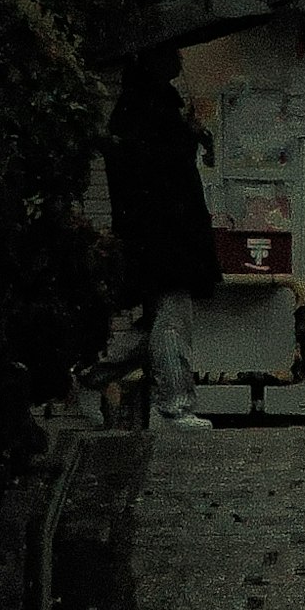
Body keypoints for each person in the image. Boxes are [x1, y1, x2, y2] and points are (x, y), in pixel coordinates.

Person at [110, 46, 221, 427]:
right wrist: (186, 136)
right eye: (170, 51)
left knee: (160, 321)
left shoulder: (144, 108)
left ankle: (91, 373)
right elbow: (160, 174)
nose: (179, 59)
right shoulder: (148, 111)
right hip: (165, 232)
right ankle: (175, 403)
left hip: (159, 232)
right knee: (173, 317)